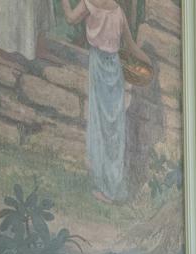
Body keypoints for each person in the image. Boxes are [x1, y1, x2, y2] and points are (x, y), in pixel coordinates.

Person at [61, 0, 153, 203]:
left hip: (100, 68)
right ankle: (111, 184)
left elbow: (69, 18)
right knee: (113, 127)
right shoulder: (118, 11)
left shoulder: (89, 3)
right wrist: (150, 64)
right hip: (115, 72)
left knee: (100, 124)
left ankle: (106, 187)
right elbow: (132, 48)